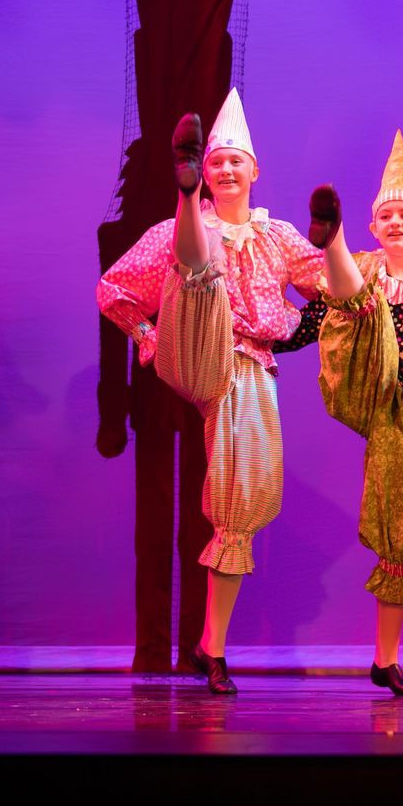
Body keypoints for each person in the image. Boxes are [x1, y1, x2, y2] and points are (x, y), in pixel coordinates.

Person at [96, 89, 323, 694]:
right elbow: (113, 290)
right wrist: (148, 337)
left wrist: (316, 314)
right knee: (197, 268)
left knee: (245, 500)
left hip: (246, 369)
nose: (227, 169)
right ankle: (188, 206)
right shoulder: (169, 232)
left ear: (254, 171)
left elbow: (329, 282)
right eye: (214, 162)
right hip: (195, 343)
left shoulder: (277, 238)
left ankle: (209, 647)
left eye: (232, 161)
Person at [274, 131, 403, 697]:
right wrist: (256, 337)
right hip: (363, 383)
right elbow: (307, 325)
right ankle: (333, 242)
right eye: (387, 216)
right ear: (375, 228)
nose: (397, 223)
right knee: (356, 298)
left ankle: (385, 658)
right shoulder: (367, 272)